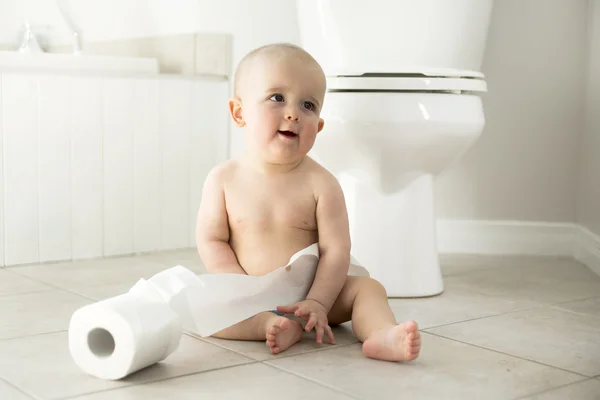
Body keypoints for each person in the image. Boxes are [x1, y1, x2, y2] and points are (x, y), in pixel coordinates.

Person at [195, 42, 421, 362]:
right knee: (205, 308)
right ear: (239, 112)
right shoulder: (223, 179)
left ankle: (381, 333)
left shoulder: (322, 184)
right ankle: (268, 324)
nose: (293, 113)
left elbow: (336, 251)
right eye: (277, 97)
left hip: (314, 292)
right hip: (247, 290)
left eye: (308, 105)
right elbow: (211, 239)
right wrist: (239, 287)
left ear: (319, 126)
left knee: (369, 289)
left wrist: (318, 302)